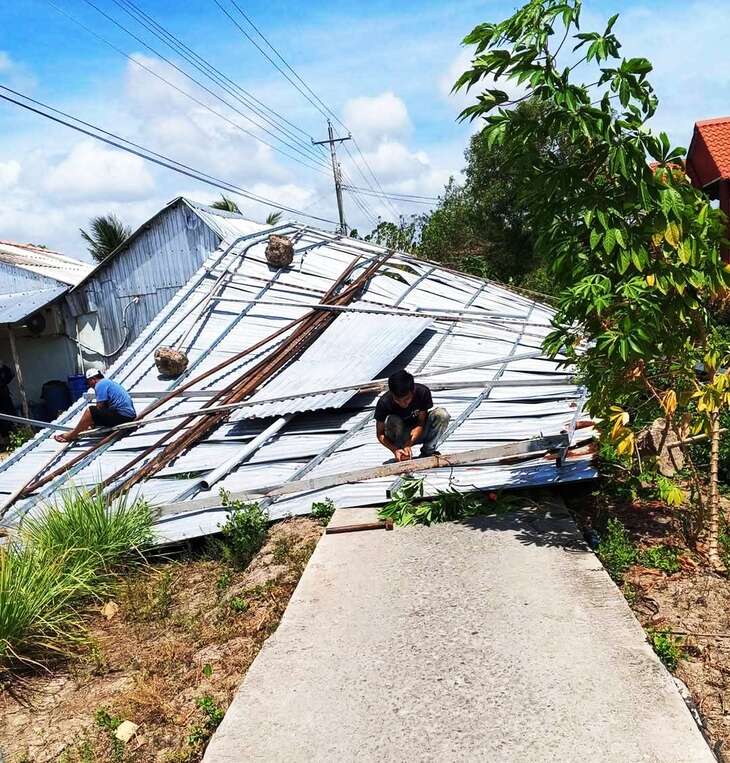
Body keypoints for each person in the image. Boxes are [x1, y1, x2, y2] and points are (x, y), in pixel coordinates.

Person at [374, 369, 450, 462]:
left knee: (442, 415)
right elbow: (380, 433)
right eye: (397, 400)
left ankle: (428, 451)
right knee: (392, 419)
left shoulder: (423, 392)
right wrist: (395, 449)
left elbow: (421, 422)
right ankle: (402, 454)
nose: (403, 404)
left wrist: (409, 443)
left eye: (406, 399)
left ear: (413, 391)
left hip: (418, 433)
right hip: (399, 436)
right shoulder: (384, 402)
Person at [54, 368, 136, 443]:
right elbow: (105, 407)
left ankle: (72, 435)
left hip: (123, 416)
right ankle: (83, 428)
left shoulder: (100, 384)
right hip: (129, 416)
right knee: (94, 416)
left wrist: (89, 420)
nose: (89, 386)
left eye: (88, 383)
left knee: (90, 411)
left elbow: (100, 407)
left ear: (92, 379)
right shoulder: (108, 382)